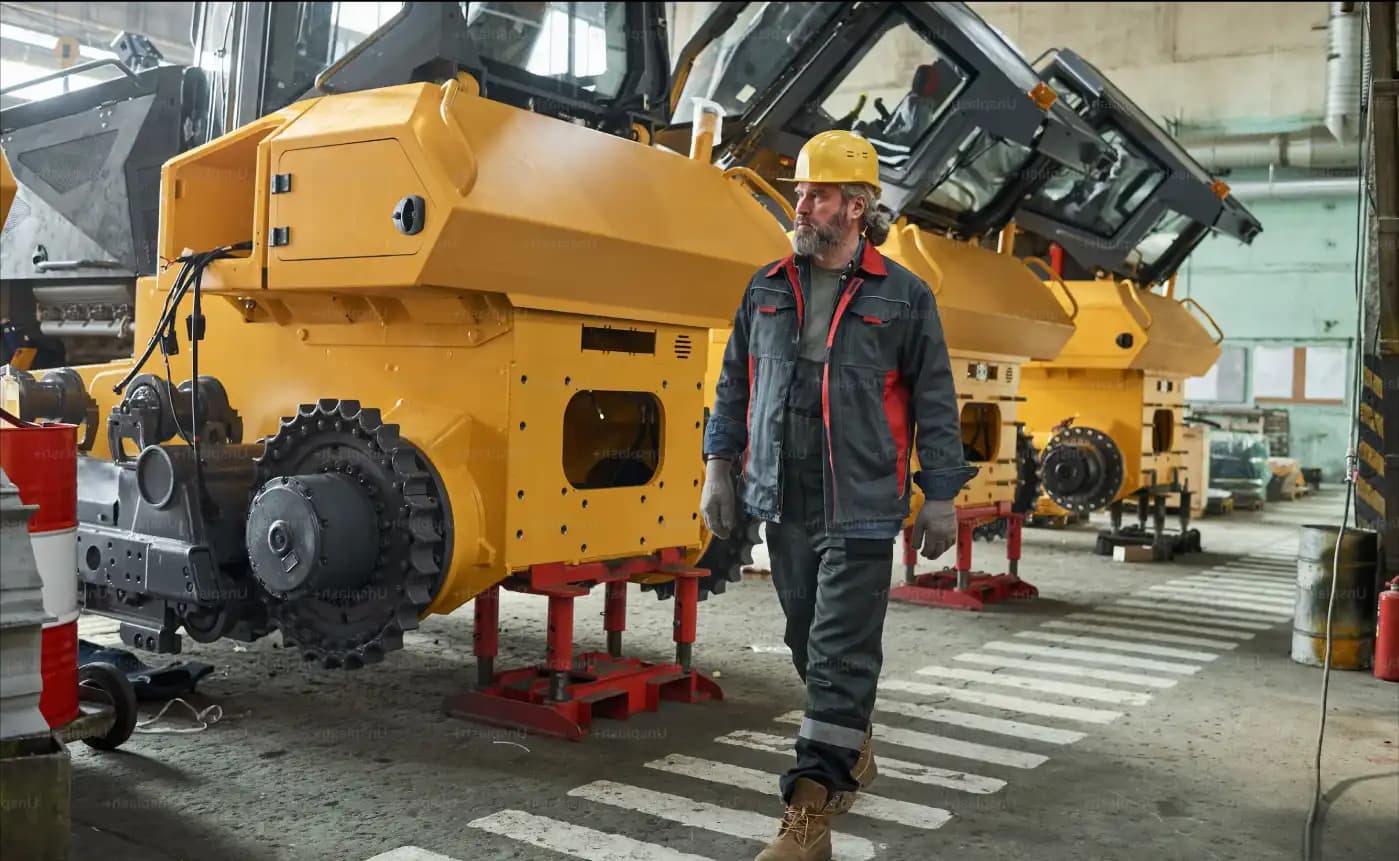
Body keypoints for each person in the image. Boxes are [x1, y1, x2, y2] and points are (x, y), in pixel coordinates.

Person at [700, 129, 976, 861]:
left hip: (860, 499)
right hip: (782, 494)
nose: (800, 204)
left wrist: (939, 494)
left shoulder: (905, 296)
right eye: (798, 192)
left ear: (855, 207)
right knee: (804, 638)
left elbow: (936, 401)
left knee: (836, 653)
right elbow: (733, 382)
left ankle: (807, 815)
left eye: (815, 193)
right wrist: (718, 465)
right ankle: (848, 740)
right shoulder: (765, 285)